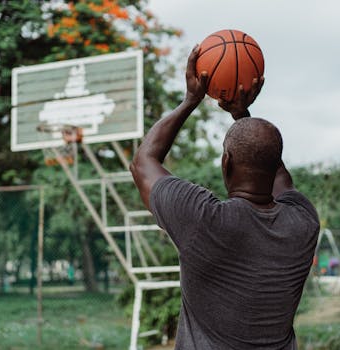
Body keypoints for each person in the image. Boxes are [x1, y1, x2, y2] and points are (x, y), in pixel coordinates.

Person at [130, 45, 320, 350]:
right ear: (275, 166)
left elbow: (142, 163)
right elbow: (281, 178)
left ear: (226, 163)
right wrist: (242, 117)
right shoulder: (303, 221)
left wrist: (190, 100)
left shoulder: (203, 220)